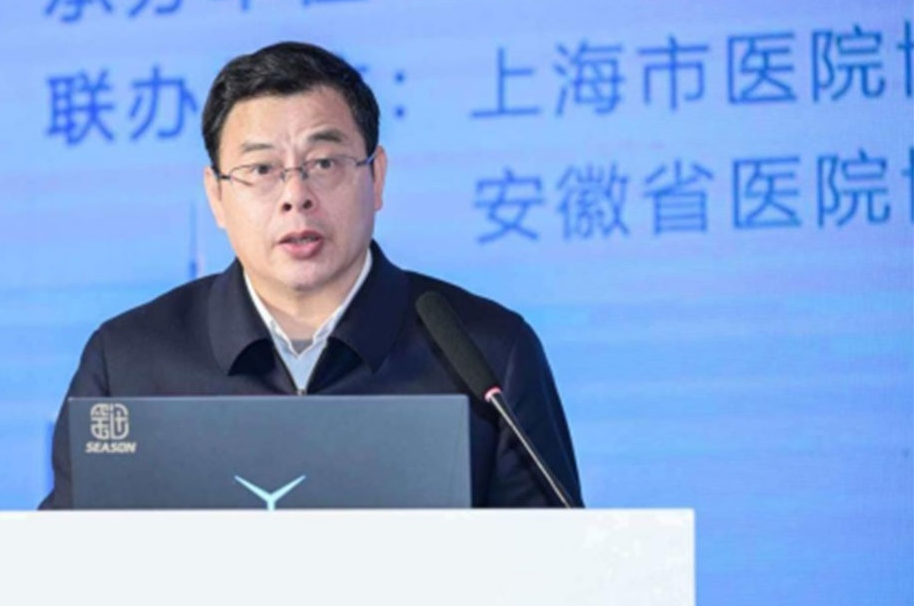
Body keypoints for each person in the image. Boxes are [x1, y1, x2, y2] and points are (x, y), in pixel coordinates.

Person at [39, 41, 582, 509]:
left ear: (377, 177)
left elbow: (557, 569)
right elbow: (61, 569)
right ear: (217, 196)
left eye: (324, 163)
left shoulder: (486, 353)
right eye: (261, 169)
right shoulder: (128, 361)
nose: (295, 196)